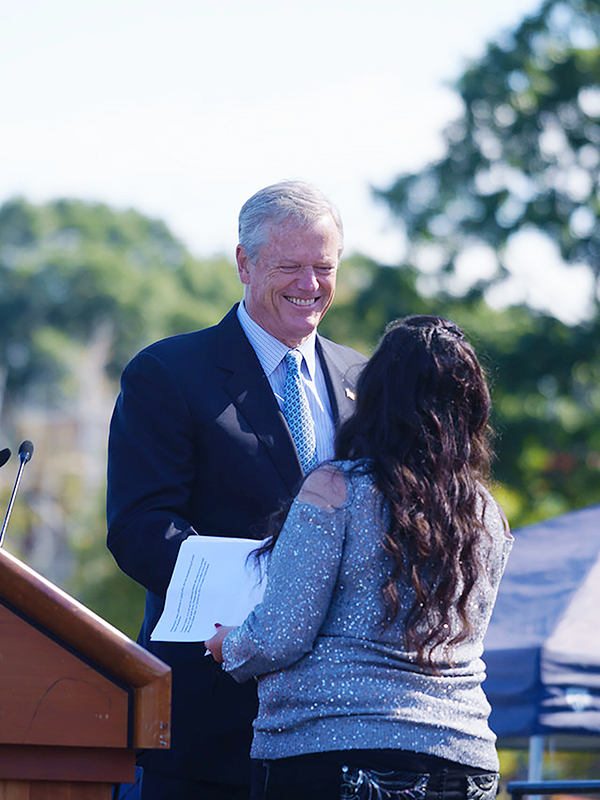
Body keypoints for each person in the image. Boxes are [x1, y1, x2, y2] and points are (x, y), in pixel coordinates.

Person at [106, 181, 367, 800]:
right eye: (290, 267)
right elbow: (143, 528)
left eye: (323, 268)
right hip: (212, 714)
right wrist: (271, 607)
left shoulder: (365, 379)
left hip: (335, 722)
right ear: (245, 264)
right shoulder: (168, 373)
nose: (310, 285)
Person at [206, 315, 513, 800]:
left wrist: (230, 645)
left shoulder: (336, 489)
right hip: (466, 758)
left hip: (338, 749)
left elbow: (280, 636)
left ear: (376, 399)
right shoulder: (486, 513)